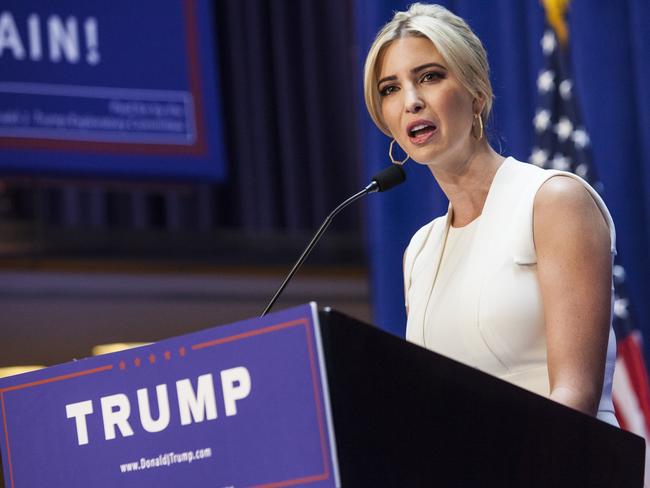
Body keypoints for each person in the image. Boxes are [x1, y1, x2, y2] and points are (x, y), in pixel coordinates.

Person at [363, 3, 618, 426]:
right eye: (390, 88)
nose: (411, 101)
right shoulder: (420, 252)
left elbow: (575, 395)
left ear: (476, 92)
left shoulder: (553, 202)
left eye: (430, 76)